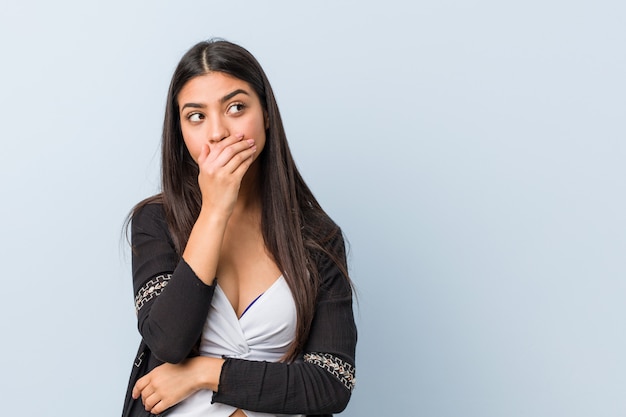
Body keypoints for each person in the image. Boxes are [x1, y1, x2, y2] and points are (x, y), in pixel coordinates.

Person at [121, 39, 357, 417]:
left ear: (265, 114)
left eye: (235, 107)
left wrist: (205, 372)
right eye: (196, 116)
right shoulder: (155, 222)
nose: (217, 133)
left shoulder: (316, 237)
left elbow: (331, 384)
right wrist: (214, 210)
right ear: (180, 131)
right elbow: (167, 342)